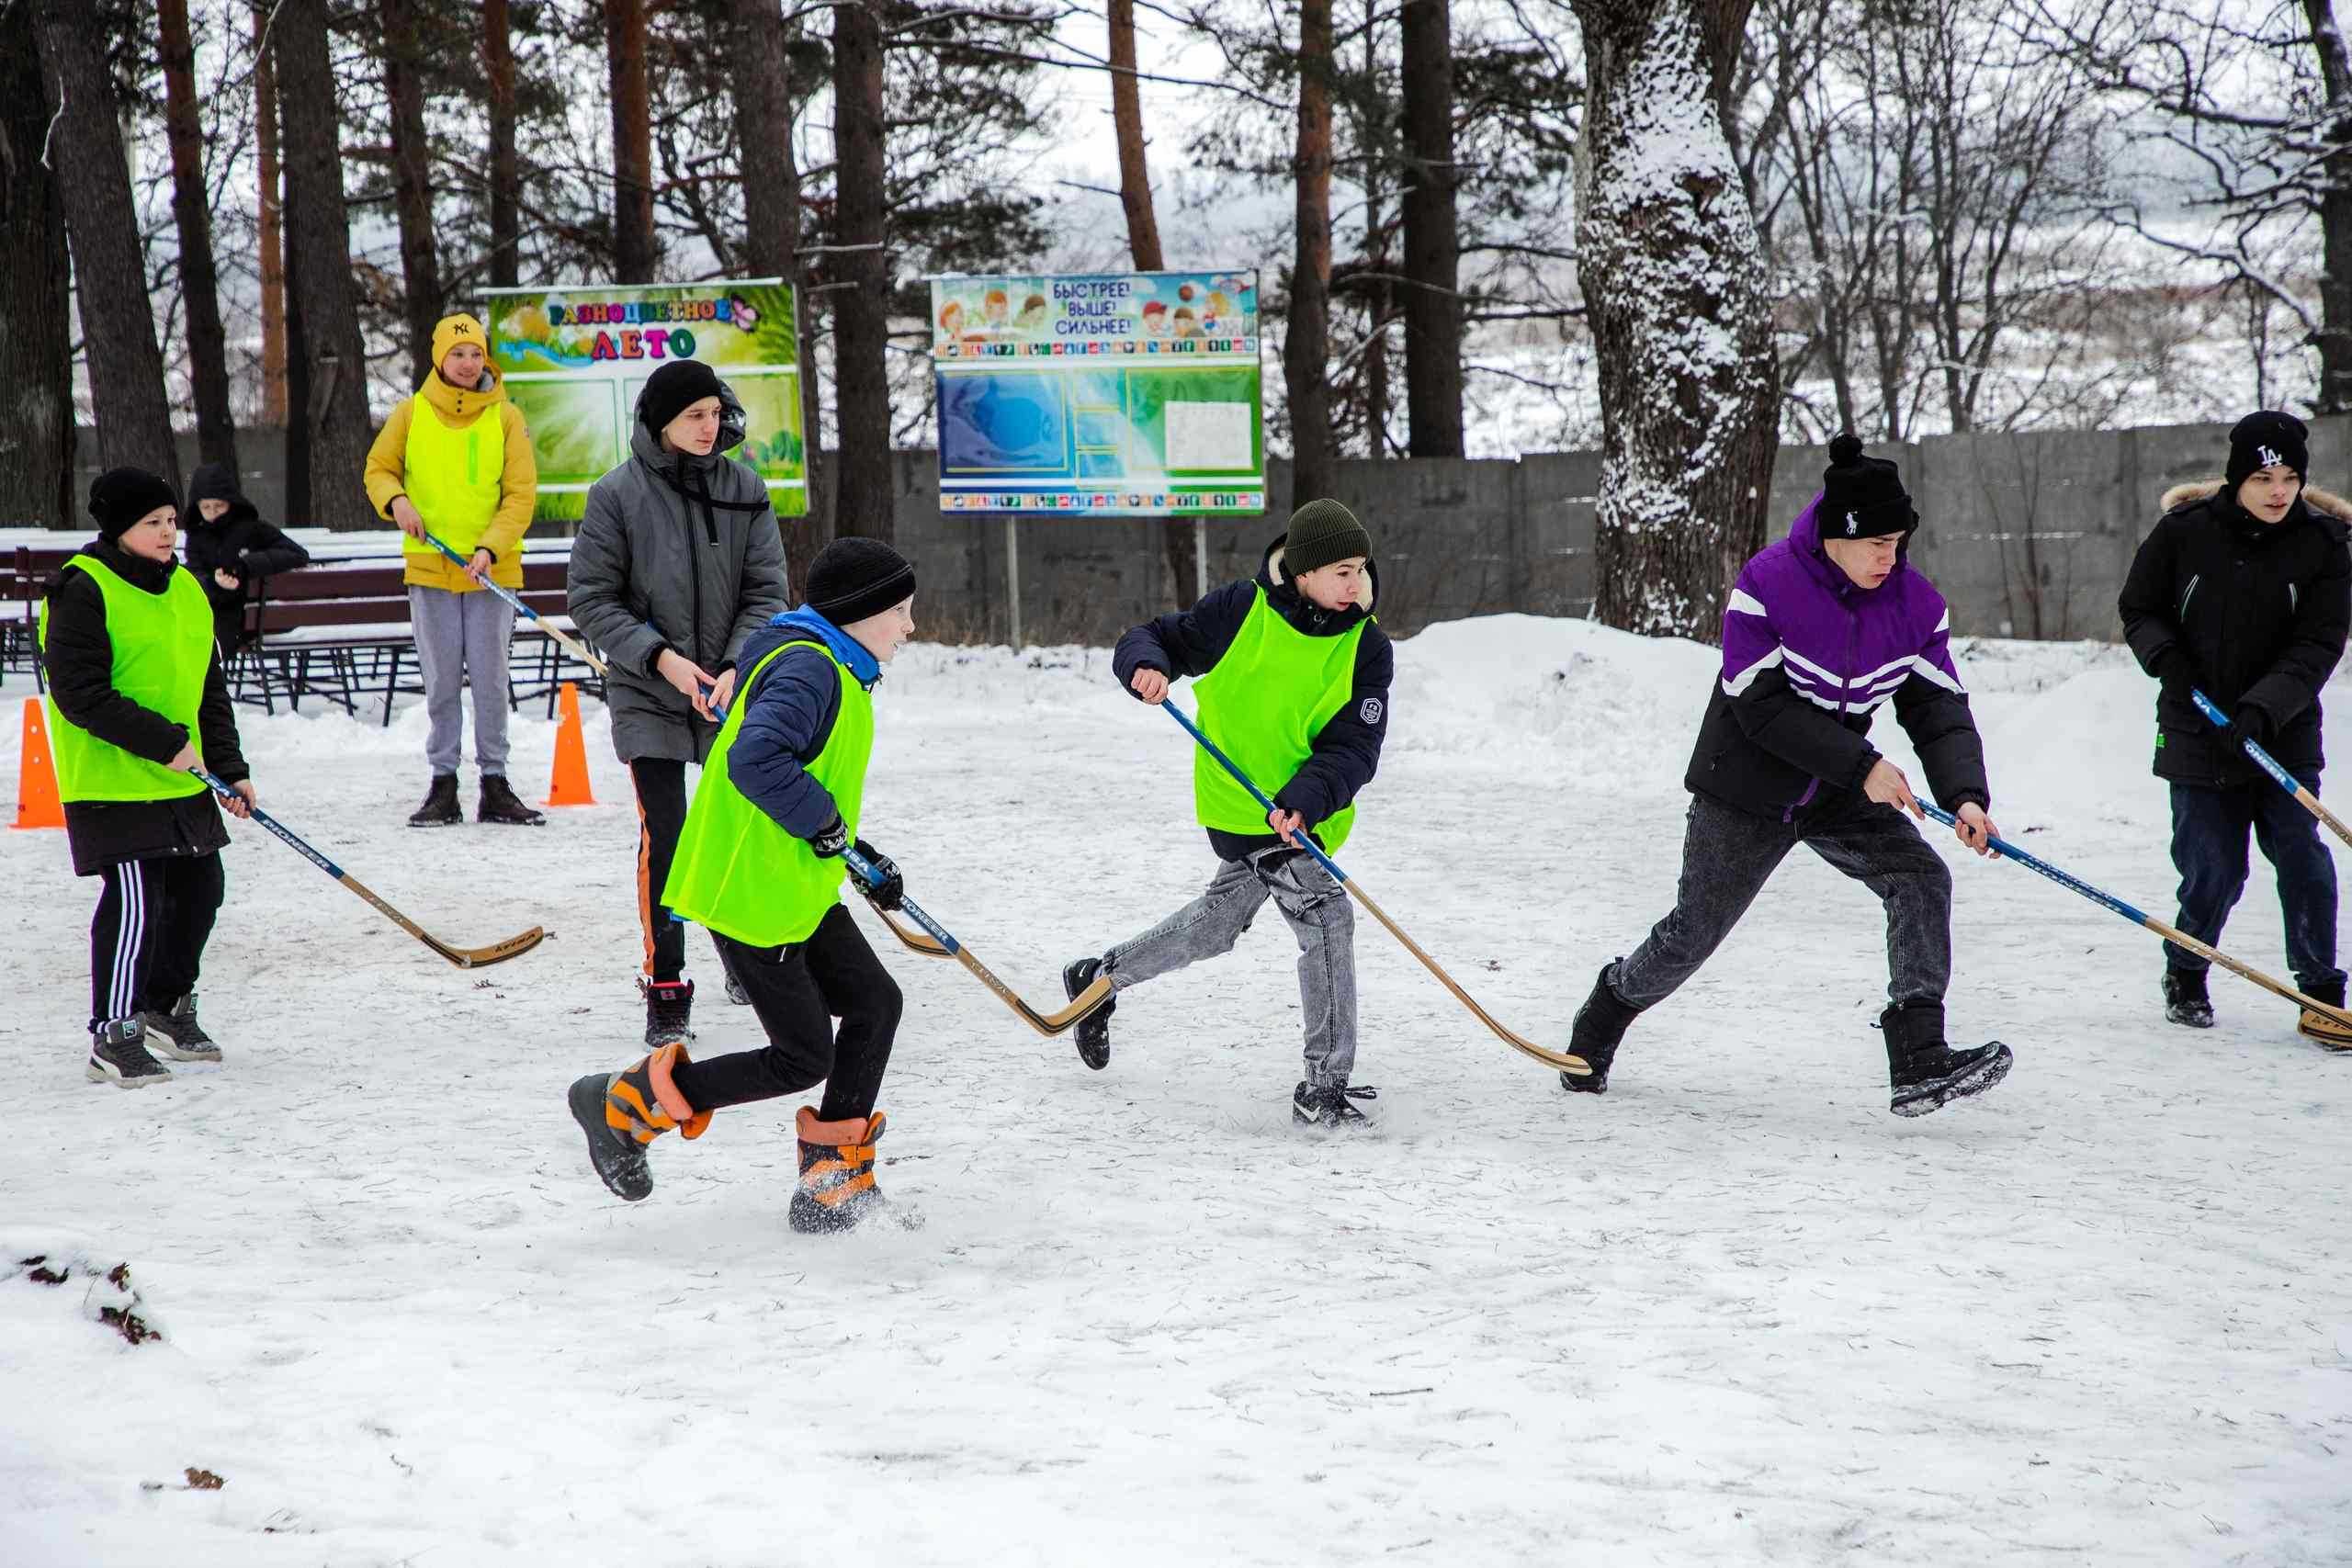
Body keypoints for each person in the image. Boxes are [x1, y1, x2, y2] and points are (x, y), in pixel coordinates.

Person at [1561, 435, 2011, 1117]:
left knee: (1920, 878)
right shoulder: (1767, 584)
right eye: (1875, 543)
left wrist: (1967, 796)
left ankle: (1919, 1053)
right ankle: (1602, 1018)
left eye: (1898, 541)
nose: (1889, 556)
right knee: (1692, 933)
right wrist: (1863, 765)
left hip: (1834, 785)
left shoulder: (1915, 607)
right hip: (1746, 786)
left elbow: (1938, 706)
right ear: (1836, 535)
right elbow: (1757, 705)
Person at [567, 538, 919, 1235]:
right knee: (802, 1054)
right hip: (749, 893)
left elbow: (802, 775)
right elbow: (756, 761)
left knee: (875, 1003)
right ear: (857, 613)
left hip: (792, 886)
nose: (909, 625)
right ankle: (625, 1104)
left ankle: (833, 1182)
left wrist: (856, 851)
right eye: (901, 611)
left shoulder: (831, 665)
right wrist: (823, 823)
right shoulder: (811, 671)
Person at [1066, 499, 1393, 1128]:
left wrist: (1306, 798)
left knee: (1216, 927)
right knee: (1327, 917)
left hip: (1302, 815)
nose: (1358, 584)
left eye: (1361, 569)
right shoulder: (1241, 610)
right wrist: (1147, 667)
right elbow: (1154, 637)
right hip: (1240, 804)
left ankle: (1098, 979)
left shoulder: (1367, 647)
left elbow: (1354, 746)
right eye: (1341, 571)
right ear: (1301, 573)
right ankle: (1322, 1088)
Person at [567, 359, 790, 1046]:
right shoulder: (615, 495)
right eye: (694, 415)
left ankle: (742, 953)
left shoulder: (745, 488)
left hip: (724, 693)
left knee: (732, 831)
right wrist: (661, 657)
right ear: (661, 421)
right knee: (667, 834)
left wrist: (733, 666)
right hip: (648, 689)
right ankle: (667, 982)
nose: (709, 426)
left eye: (715, 413)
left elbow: (767, 591)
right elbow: (591, 599)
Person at [2119, 411, 2352, 1045]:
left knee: (2303, 857)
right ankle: (2188, 969)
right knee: (2213, 866)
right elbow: (2139, 608)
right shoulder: (2184, 533)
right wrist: (2167, 661)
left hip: (2281, 730)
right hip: (2198, 726)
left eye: (2290, 477)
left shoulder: (2326, 545)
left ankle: (2322, 991)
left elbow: (2319, 642)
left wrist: (2262, 707)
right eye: (2264, 477)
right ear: (2236, 476)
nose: (2279, 491)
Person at [39, 468, 256, 1087]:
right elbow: (79, 693)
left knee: (200, 891)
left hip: (183, 779)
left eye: (170, 521)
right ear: (118, 529)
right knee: (136, 901)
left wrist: (230, 767)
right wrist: (167, 744)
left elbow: (208, 687)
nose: (168, 533)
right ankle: (115, 1030)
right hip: (114, 781)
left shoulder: (186, 587)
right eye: (152, 524)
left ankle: (165, 1004)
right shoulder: (82, 589)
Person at [362, 311, 544, 828]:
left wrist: (491, 548)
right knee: (441, 682)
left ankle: (495, 782)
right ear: (439, 358)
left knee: (490, 679)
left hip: (489, 572)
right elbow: (378, 469)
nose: (468, 363)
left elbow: (520, 495)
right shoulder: (410, 413)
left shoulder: (506, 417)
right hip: (430, 568)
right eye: (458, 354)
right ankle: (443, 784)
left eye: (476, 354)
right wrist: (396, 501)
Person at [180, 460, 311, 657]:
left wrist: (245, 566)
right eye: (206, 506)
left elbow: (297, 554)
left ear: (231, 503)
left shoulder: (252, 529)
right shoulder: (197, 537)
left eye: (218, 505)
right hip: (218, 614)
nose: (213, 512)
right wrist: (216, 584)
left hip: (242, 622)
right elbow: (196, 573)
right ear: (197, 506)